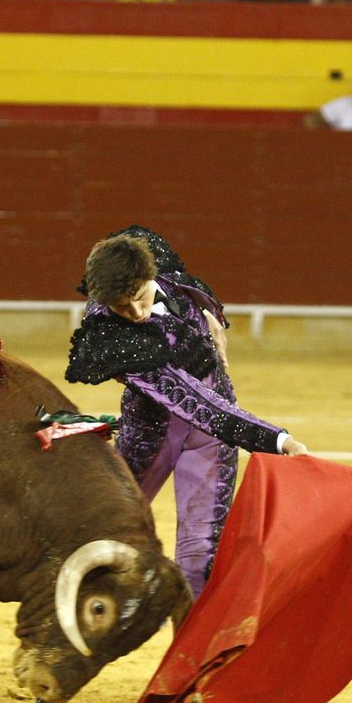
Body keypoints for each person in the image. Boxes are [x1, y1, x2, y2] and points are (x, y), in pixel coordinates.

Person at [64, 226, 310, 608]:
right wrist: (278, 439)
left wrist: (209, 309)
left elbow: (138, 237)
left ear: (151, 275)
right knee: (104, 532)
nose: (135, 313)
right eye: (120, 308)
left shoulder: (155, 263)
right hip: (154, 432)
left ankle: (190, 658)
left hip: (208, 434)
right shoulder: (114, 337)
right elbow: (199, 405)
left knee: (200, 554)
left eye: (139, 298)